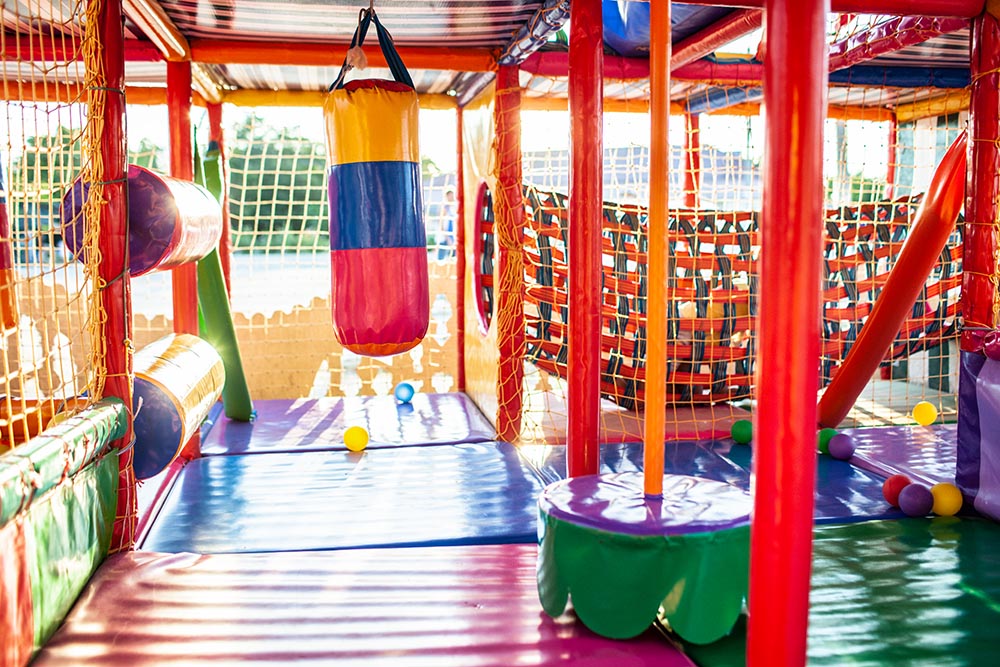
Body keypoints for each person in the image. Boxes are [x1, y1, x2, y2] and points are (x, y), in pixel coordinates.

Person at [437, 188, 456, 260]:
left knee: (453, 256)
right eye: (449, 195)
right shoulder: (445, 208)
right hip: (445, 235)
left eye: (452, 195)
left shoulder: (455, 207)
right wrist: (446, 236)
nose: (451, 197)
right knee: (441, 256)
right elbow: (441, 223)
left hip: (453, 234)